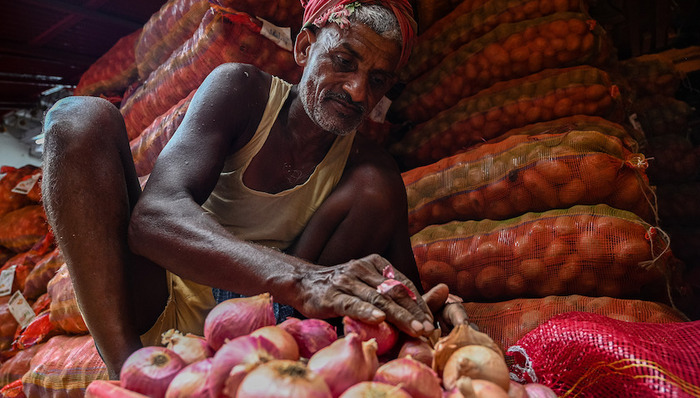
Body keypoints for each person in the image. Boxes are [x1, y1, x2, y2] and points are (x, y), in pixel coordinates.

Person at [42, 0, 468, 379]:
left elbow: (398, 289)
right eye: (343, 60)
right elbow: (152, 221)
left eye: (377, 80)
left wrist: (431, 317)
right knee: (78, 119)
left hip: (271, 333)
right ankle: (129, 375)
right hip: (166, 297)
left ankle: (272, 377)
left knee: (378, 185)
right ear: (304, 48)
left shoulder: (369, 170)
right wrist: (303, 279)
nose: (358, 91)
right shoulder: (242, 91)